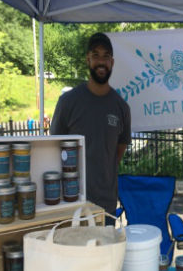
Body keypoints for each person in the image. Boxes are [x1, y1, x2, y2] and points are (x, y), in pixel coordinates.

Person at [50, 32, 131, 223]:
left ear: (112, 62)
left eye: (105, 56)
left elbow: (118, 151)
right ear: (88, 60)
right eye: (96, 55)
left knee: (105, 252)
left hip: (106, 204)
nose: (100, 61)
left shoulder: (121, 107)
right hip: (71, 202)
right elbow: (53, 147)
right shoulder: (68, 102)